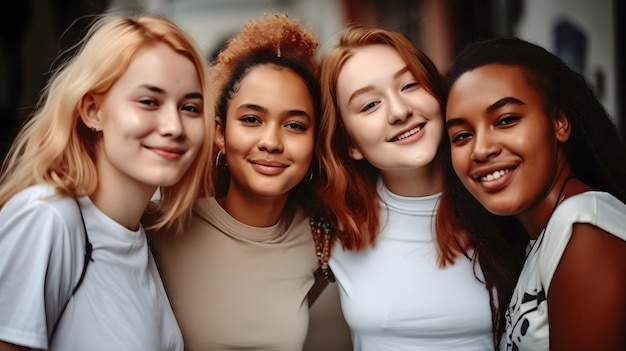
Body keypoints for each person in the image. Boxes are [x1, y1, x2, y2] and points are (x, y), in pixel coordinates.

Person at [0, 13, 213, 351]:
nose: (174, 126)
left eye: (190, 107)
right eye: (149, 102)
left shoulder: (140, 235)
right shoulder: (48, 218)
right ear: (92, 111)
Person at [149, 13, 333, 351]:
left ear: (315, 141)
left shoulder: (321, 238)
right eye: (251, 119)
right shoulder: (159, 228)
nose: (271, 141)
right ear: (220, 132)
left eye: (294, 125)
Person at [316, 23, 495, 350]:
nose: (400, 112)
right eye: (370, 105)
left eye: (409, 85)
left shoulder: (501, 202)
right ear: (350, 143)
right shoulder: (335, 225)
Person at [441, 36, 626, 350]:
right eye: (462, 135)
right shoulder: (545, 235)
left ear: (559, 123)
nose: (482, 149)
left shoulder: (584, 227)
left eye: (507, 120)